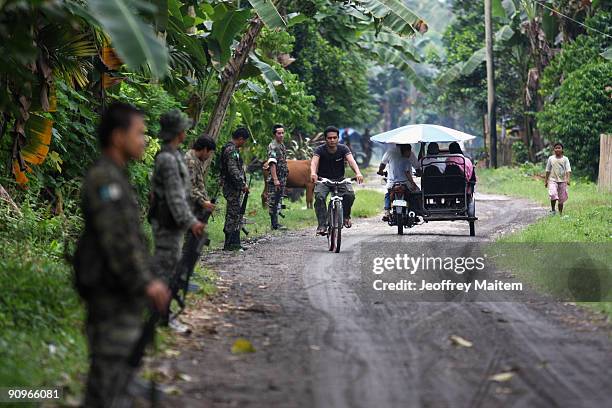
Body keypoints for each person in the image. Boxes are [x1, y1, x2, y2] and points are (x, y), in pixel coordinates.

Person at [73, 102, 170, 407]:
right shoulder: (105, 179)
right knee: (110, 374)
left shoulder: (116, 176)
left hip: (120, 292)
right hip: (109, 292)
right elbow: (117, 242)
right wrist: (146, 282)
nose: (144, 140)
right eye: (139, 133)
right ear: (118, 136)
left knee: (118, 373)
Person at [150, 109, 205, 332]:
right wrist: (190, 222)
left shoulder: (174, 156)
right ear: (178, 132)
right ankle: (159, 314)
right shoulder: (168, 159)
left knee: (171, 266)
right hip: (168, 223)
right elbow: (175, 197)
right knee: (165, 267)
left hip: (172, 222)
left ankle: (163, 312)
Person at [176, 135, 217, 295]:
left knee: (191, 241)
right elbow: (190, 187)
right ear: (205, 149)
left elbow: (199, 184)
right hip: (186, 206)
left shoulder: (195, 160)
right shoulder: (190, 161)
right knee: (186, 240)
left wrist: (205, 200)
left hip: (193, 206)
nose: (209, 156)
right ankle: (180, 277)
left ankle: (185, 273)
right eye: (210, 152)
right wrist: (203, 202)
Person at [310, 126, 364, 235]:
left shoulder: (343, 149)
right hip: (323, 180)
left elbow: (351, 161)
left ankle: (346, 216)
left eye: (335, 138)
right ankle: (322, 225)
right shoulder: (320, 149)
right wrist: (313, 173)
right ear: (325, 139)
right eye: (329, 138)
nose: (332, 140)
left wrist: (358, 172)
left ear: (338, 138)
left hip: (340, 180)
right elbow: (314, 162)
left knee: (350, 195)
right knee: (320, 197)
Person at [221, 127, 250, 250]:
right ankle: (230, 243)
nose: (244, 144)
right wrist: (242, 184)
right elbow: (233, 170)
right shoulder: (232, 150)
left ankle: (234, 242)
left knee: (234, 213)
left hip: (233, 187)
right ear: (240, 139)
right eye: (244, 141)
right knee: (233, 214)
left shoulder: (230, 149)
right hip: (232, 188)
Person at [377, 144, 421, 221]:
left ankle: (387, 212)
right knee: (416, 193)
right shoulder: (408, 157)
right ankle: (414, 212)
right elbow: (415, 168)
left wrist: (380, 171)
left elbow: (382, 164)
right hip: (406, 183)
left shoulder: (390, 151)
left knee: (387, 194)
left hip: (392, 183)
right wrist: (417, 177)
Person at [267, 124, 288, 230]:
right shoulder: (273, 146)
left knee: (278, 200)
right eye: (279, 133)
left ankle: (276, 223)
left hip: (282, 178)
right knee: (273, 200)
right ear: (274, 134)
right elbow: (272, 163)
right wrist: (275, 179)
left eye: (282, 133)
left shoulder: (282, 145)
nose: (281, 135)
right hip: (275, 179)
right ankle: (274, 224)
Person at [545, 142, 571, 215]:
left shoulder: (565, 159)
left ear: (562, 149)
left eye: (559, 148)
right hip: (553, 180)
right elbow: (548, 170)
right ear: (554, 149)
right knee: (553, 194)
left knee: (561, 199)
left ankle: (560, 214)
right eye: (556, 148)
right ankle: (553, 210)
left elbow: (568, 170)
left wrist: (568, 179)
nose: (557, 149)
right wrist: (546, 180)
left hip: (563, 181)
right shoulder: (551, 158)